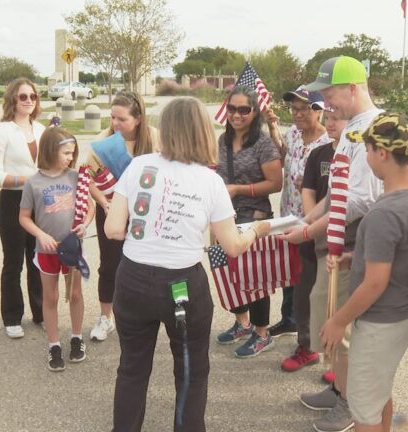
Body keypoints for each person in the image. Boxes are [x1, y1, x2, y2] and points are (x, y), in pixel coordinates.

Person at [104, 96, 271, 432]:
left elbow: (112, 229)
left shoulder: (139, 166)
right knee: (192, 370)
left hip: (133, 279)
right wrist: (257, 229)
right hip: (182, 284)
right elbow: (233, 246)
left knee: (132, 367)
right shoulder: (210, 181)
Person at [281, 56, 384, 430]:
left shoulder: (373, 129)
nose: (325, 101)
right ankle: (341, 390)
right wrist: (304, 219)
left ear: (354, 88)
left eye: (330, 92)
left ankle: (352, 404)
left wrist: (307, 231)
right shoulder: (352, 129)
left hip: (358, 242)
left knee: (343, 330)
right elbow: (336, 192)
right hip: (337, 239)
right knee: (325, 319)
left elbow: (357, 201)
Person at [319, 112, 408, 432]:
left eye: (367, 150)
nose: (366, 157)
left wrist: (338, 321)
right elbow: (395, 258)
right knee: (380, 394)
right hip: (401, 313)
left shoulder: (384, 212)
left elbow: (376, 282)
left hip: (379, 321)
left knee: (365, 409)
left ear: (382, 153)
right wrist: (356, 257)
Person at [213, 85, 283, 358]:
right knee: (232, 273)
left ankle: (262, 332)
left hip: (254, 216)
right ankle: (242, 323)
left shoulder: (263, 144)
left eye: (244, 109)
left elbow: (275, 184)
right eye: (232, 109)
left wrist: (238, 190)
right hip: (226, 214)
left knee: (255, 276)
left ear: (254, 112)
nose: (236, 115)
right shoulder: (223, 140)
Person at [86, 90, 160, 342]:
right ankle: (105, 318)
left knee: (146, 264)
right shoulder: (102, 141)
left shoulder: (154, 139)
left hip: (145, 213)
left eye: (122, 119)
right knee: (109, 265)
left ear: (138, 119)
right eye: (112, 118)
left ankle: (141, 315)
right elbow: (89, 180)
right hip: (110, 211)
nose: (115, 124)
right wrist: (103, 202)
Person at [19, 127, 94, 371]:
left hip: (72, 247)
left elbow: (90, 206)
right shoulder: (34, 182)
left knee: (74, 293)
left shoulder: (75, 177)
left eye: (73, 153)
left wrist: (84, 223)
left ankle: (76, 337)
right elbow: (24, 218)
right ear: (51, 151)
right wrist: (40, 234)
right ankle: (53, 344)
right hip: (46, 250)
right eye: (66, 153)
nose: (71, 158)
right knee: (50, 296)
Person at [282, 110, 347, 375]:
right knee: (305, 295)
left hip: (339, 239)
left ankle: (336, 358)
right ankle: (306, 346)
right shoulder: (319, 154)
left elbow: (341, 201)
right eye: (328, 118)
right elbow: (308, 188)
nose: (329, 124)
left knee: (336, 299)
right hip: (312, 234)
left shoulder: (353, 155)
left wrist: (312, 228)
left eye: (336, 119)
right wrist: (310, 226)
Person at [270, 87, 331, 370]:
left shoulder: (330, 142)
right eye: (294, 109)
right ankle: (293, 324)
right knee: (294, 278)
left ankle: (316, 347)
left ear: (320, 110)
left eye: (304, 109)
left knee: (317, 288)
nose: (297, 114)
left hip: (317, 224)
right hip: (289, 218)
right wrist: (273, 128)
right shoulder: (293, 135)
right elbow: (285, 155)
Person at [0, 78, 45, 339]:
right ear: (12, 99)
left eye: (33, 96)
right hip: (12, 201)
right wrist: (25, 180)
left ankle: (41, 312)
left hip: (40, 202)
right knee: (13, 262)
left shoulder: (42, 129)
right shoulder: (3, 131)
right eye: (23, 97)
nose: (29, 100)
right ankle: (12, 316)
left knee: (38, 259)